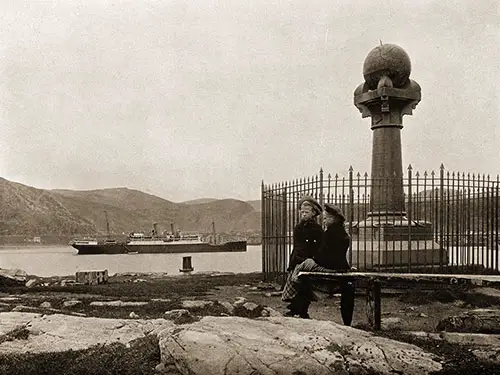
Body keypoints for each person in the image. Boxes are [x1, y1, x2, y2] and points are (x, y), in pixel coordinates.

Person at [282, 203, 355, 325]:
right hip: (337, 268)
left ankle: (290, 292)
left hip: (330, 269)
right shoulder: (340, 232)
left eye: (326, 218)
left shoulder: (330, 233)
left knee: (303, 269)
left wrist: (314, 259)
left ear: (333, 219)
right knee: (303, 268)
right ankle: (294, 297)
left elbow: (325, 256)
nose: (324, 221)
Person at [282, 195, 323, 317]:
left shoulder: (317, 229)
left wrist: (312, 259)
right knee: (294, 283)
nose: (303, 214)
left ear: (314, 213)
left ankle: (303, 310)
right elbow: (297, 246)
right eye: (302, 211)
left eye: (307, 212)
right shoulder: (298, 228)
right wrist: (295, 260)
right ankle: (294, 308)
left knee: (305, 285)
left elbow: (319, 247)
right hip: (297, 259)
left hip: (309, 260)